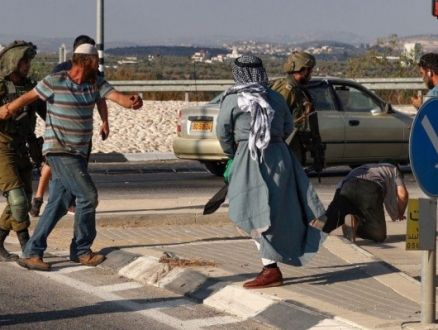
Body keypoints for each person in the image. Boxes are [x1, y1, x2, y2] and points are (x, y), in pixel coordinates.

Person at [0, 43, 143, 271]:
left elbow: (120, 98)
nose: (98, 66)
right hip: (59, 150)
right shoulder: (55, 80)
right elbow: (28, 98)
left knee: (58, 203)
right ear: (85, 62)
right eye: (95, 61)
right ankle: (81, 250)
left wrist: (133, 101)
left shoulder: (95, 83)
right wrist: (6, 109)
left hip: (78, 153)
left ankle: (32, 252)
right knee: (88, 196)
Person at [216, 55, 327, 289]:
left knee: (249, 210)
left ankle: (270, 270)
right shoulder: (275, 97)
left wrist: (233, 153)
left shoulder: (233, 99)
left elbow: (223, 133)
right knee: (277, 213)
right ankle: (273, 264)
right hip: (280, 156)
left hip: (249, 157)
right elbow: (288, 127)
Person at [29, 35, 109, 217]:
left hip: (80, 134)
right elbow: (44, 94)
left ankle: (68, 202)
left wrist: (105, 121)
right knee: (51, 164)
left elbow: (101, 98)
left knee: (78, 168)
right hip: (60, 132)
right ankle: (39, 198)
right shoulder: (61, 70)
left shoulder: (94, 74)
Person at [0, 40, 46, 261]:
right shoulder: (0, 87)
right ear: (12, 62)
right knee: (17, 201)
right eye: (23, 61)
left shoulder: (31, 88)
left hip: (24, 148)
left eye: (29, 61)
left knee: (24, 200)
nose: (27, 65)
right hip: (2, 149)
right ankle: (26, 245)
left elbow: (49, 113)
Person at [311, 159, 409, 243]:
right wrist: (400, 213)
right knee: (379, 235)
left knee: (337, 214)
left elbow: (340, 187)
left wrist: (332, 209)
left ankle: (326, 222)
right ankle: (355, 225)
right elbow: (402, 194)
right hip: (370, 189)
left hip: (347, 185)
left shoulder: (364, 167)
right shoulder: (394, 170)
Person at [269, 51, 317, 164]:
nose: (311, 74)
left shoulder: (297, 89)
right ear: (304, 69)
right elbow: (275, 118)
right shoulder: (288, 89)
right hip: (284, 144)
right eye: (311, 70)